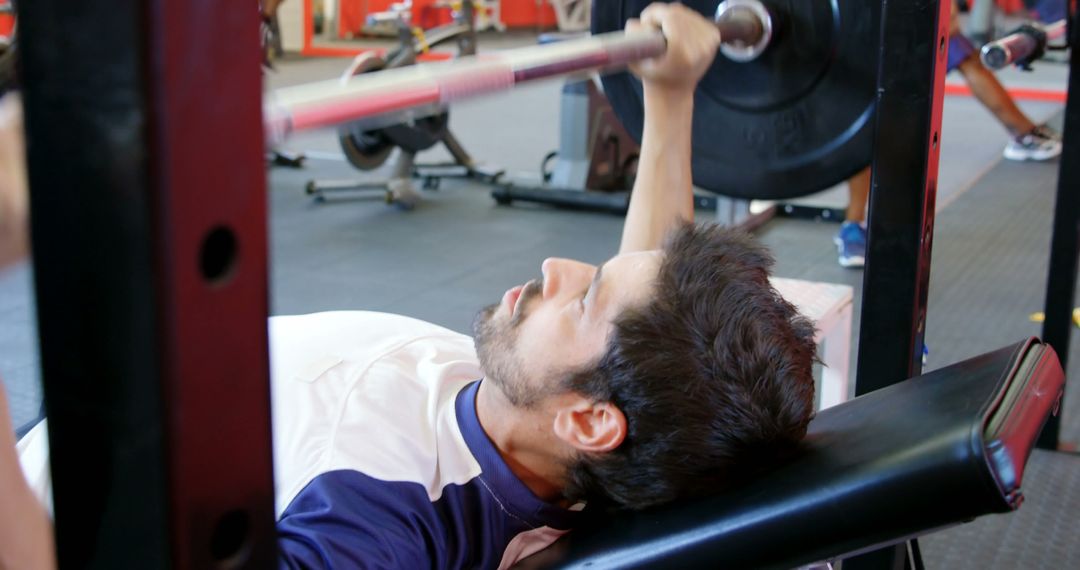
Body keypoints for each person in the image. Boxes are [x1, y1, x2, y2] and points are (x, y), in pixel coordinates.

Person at [0, 4, 817, 568]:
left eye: (584, 294)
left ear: (593, 419)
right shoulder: (618, 455)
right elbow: (651, 316)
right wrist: (670, 100)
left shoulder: (377, 521)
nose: (554, 269)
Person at [834, 0, 1062, 268]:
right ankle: (853, 225)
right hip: (857, 19)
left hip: (907, 10)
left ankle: (1025, 134)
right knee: (866, 113)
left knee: (965, 59)